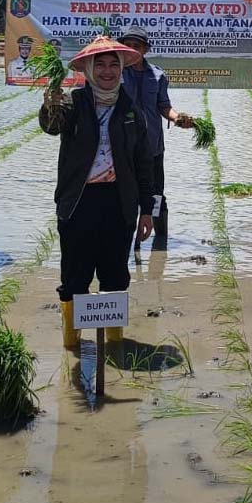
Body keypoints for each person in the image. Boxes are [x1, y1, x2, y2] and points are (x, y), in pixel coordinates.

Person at [39, 37, 155, 349]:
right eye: (100, 64)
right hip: (78, 203)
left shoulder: (131, 110)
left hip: (119, 205)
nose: (107, 71)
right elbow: (51, 126)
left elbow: (144, 164)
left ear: (121, 69)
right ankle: (72, 344)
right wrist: (50, 103)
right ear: (89, 69)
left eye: (113, 64)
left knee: (115, 274)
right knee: (75, 276)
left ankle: (114, 346)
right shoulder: (73, 103)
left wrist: (147, 209)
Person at [118, 25, 194, 251]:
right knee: (124, 194)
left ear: (145, 49)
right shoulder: (116, 73)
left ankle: (160, 243)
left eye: (137, 46)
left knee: (156, 194)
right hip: (123, 147)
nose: (132, 50)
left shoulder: (158, 75)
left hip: (152, 147)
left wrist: (178, 118)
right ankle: (126, 241)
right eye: (128, 46)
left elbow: (164, 106)